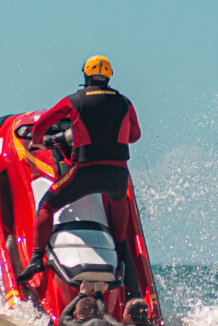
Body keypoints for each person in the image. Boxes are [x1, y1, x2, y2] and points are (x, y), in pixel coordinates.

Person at [16, 55, 141, 283]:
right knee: (118, 199)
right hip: (117, 176)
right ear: (108, 77)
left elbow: (42, 123)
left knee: (46, 206)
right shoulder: (125, 102)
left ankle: (36, 259)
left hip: (86, 174)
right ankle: (121, 250)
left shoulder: (75, 100)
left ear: (86, 75)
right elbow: (135, 136)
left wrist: (36, 141)